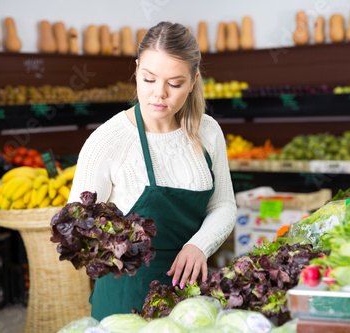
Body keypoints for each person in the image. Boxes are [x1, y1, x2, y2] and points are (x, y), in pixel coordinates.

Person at [68, 21, 237, 321]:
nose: (159, 94)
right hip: (124, 302)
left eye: (174, 83)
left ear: (193, 80)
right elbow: (76, 222)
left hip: (189, 298)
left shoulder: (208, 132)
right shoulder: (108, 140)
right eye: (148, 79)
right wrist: (110, 245)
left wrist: (199, 245)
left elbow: (223, 205)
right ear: (136, 71)